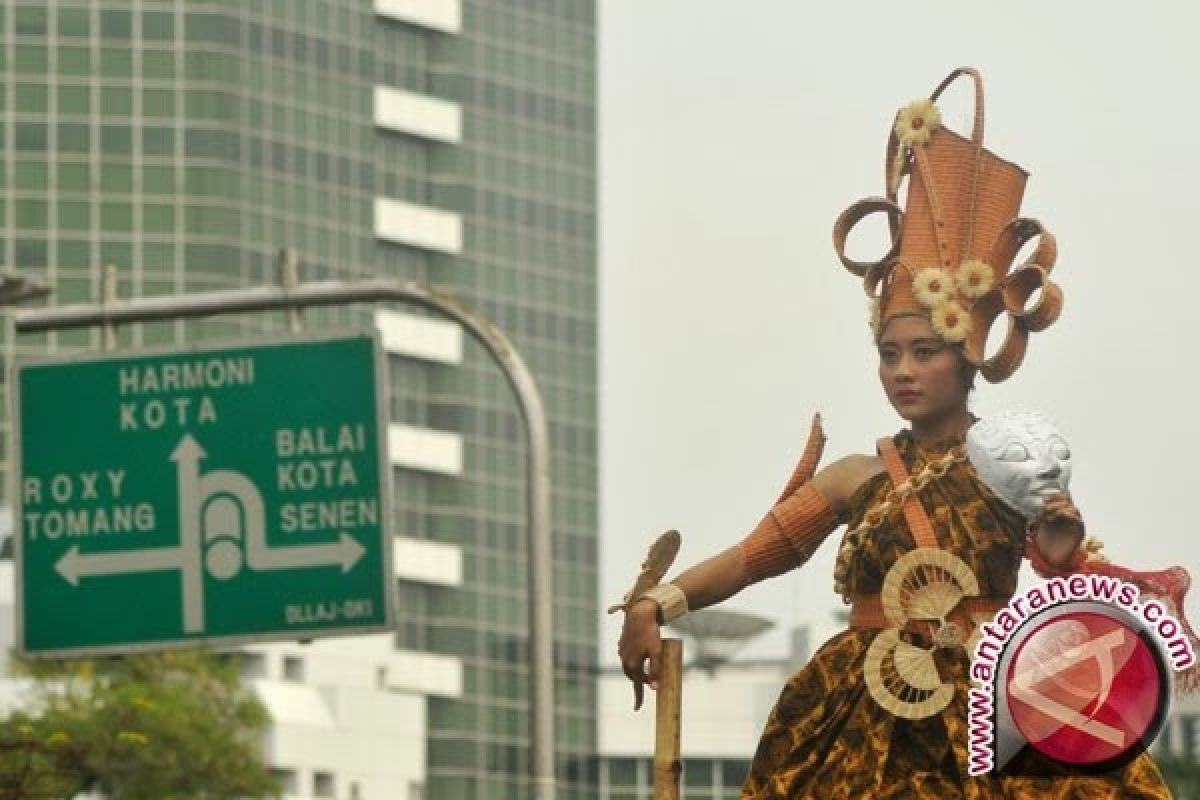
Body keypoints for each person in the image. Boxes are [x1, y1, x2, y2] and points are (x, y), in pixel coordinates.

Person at [617, 68, 1173, 798]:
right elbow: (758, 555)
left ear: (965, 355)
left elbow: (1075, 590)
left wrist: (1060, 557)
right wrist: (658, 602)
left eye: (924, 353)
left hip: (988, 705)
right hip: (861, 711)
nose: (903, 371)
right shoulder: (857, 475)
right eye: (889, 354)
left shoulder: (1013, 460)